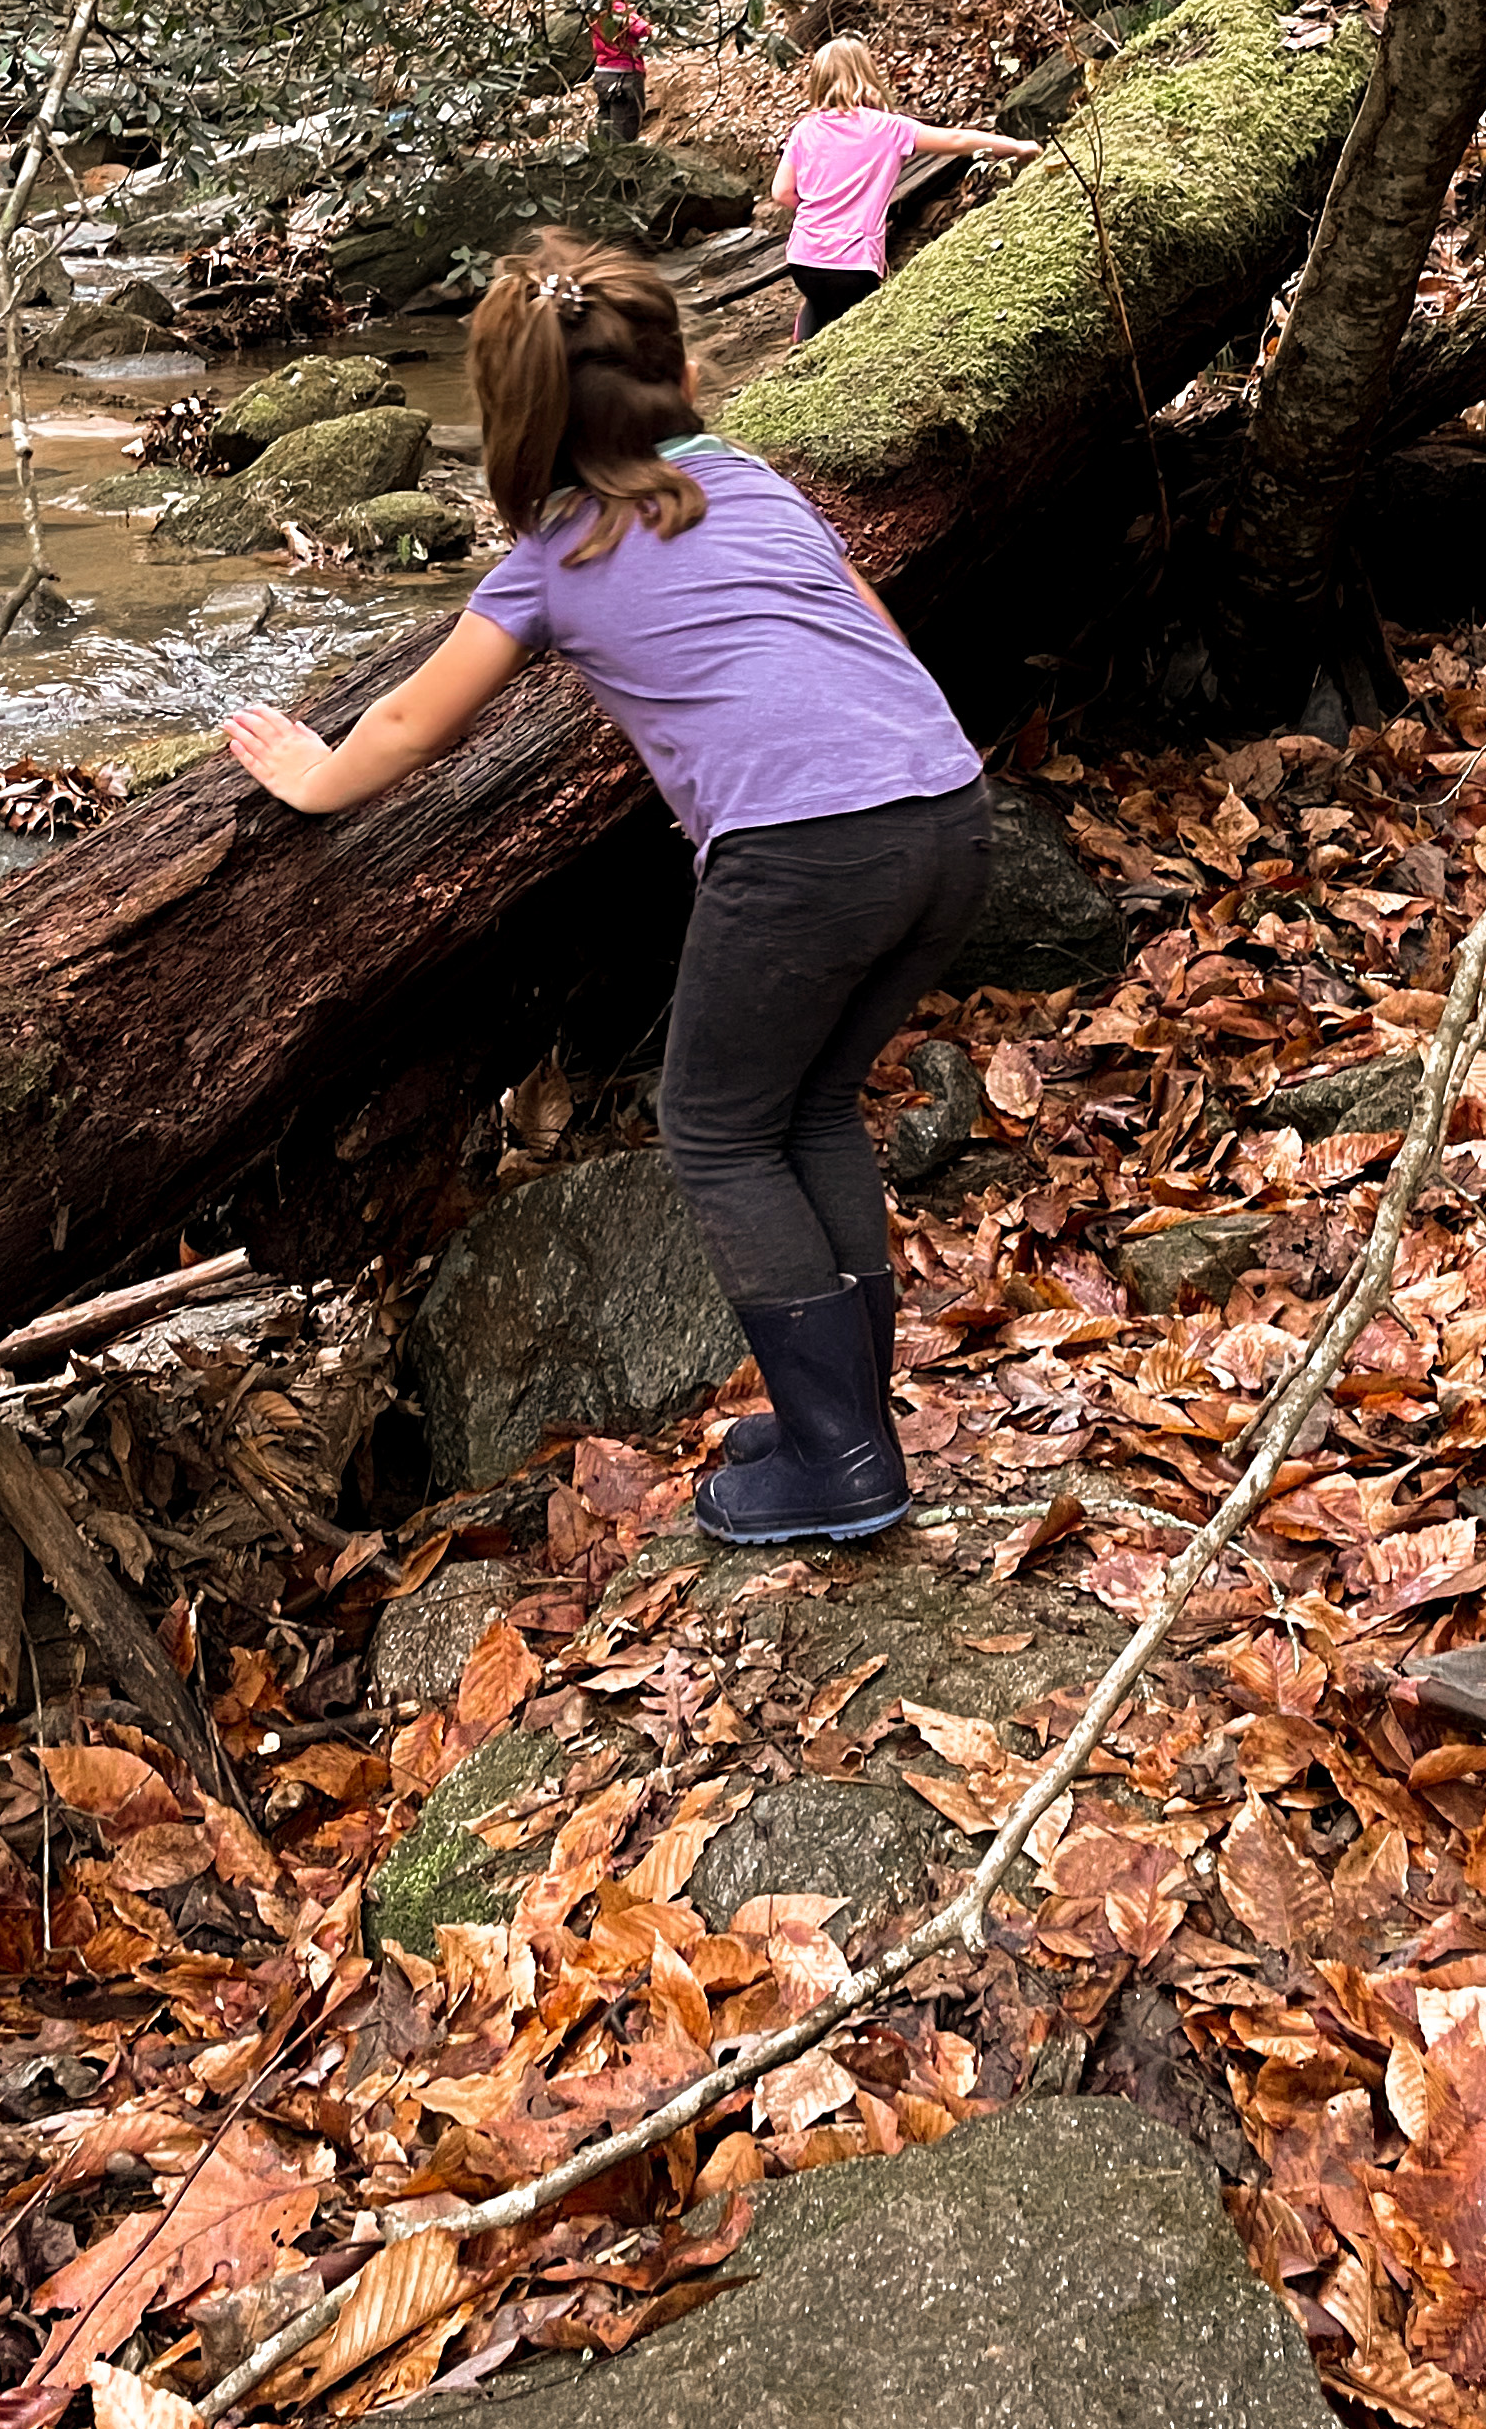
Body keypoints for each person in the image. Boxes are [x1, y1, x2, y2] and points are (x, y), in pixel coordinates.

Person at [224, 231, 989, 1546]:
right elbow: (882, 636)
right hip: (946, 806)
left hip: (799, 857)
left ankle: (844, 1463)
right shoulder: (752, 477)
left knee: (717, 1131)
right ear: (684, 373)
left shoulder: (548, 567)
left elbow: (412, 725)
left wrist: (311, 775)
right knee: (811, 1109)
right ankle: (844, 1419)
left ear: (511, 431)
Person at [772, 36, 1040, 342]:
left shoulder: (805, 129)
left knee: (818, 302)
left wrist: (820, 206)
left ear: (818, 81)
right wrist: (1015, 146)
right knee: (857, 330)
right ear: (867, 75)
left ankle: (798, 358)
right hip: (854, 263)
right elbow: (956, 141)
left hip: (803, 260)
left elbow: (780, 192)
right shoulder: (888, 128)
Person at [587, 0, 653, 142]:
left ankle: (601, 162)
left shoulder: (594, 12)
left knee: (606, 128)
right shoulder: (617, 9)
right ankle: (621, 164)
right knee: (624, 133)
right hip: (624, 76)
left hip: (602, 75)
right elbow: (643, 30)